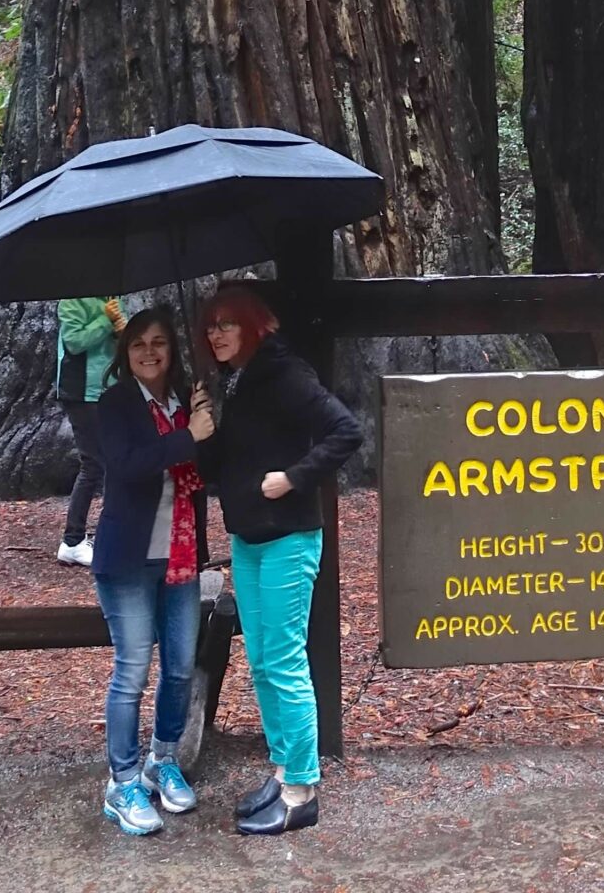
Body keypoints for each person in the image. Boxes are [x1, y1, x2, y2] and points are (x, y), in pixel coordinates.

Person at [196, 283, 362, 837]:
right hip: (248, 538)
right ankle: (283, 768)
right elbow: (223, 465)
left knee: (285, 661)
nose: (216, 333)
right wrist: (203, 434)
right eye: (211, 325)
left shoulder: (285, 371)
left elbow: (346, 430)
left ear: (251, 323)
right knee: (264, 662)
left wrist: (293, 478)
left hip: (289, 537)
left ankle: (302, 789)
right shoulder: (235, 381)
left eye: (227, 323)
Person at [92, 303, 216, 837]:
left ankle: (162, 759)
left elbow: (206, 471)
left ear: (171, 349)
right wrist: (189, 437)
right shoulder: (116, 403)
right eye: (140, 342)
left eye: (159, 341)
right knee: (132, 671)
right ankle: (121, 783)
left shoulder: (187, 402)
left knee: (182, 667)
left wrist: (208, 425)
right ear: (127, 351)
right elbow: (128, 465)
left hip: (181, 556)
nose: (149, 351)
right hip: (127, 559)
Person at [54, 296, 125, 565]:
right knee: (93, 464)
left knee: (115, 462)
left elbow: (123, 338)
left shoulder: (111, 299)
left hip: (111, 389)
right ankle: (72, 540)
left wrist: (121, 329)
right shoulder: (72, 301)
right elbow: (74, 341)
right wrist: (105, 321)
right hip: (82, 393)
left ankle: (111, 533)